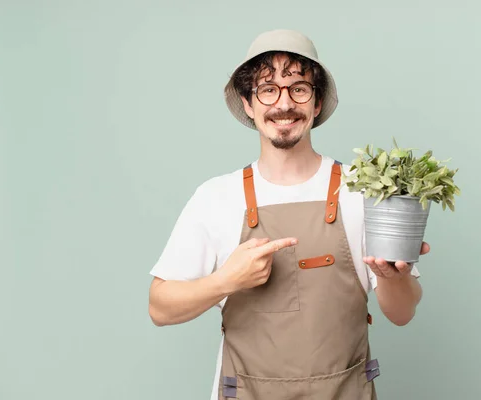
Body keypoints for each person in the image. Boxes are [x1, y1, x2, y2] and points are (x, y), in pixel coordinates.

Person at [148, 29, 430, 400]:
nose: (284, 104)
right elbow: (160, 307)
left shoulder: (362, 190)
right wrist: (226, 281)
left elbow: (402, 313)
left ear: (316, 102)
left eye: (299, 88)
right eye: (268, 89)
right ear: (249, 104)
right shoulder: (216, 197)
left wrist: (393, 277)